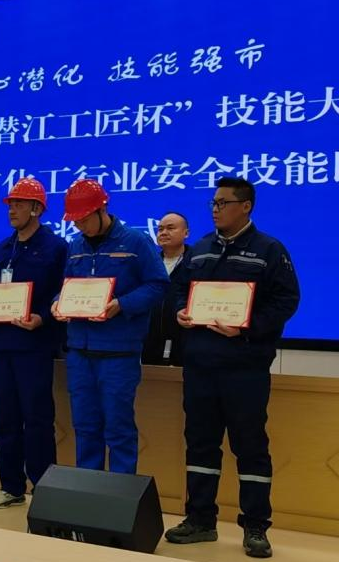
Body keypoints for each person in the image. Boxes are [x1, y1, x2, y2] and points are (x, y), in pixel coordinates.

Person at [165, 177, 300, 559]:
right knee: (200, 443)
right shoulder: (200, 249)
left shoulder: (269, 249)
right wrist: (181, 311)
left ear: (246, 206)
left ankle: (255, 526)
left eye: (223, 203)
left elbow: (286, 301)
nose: (215, 209)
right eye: (213, 202)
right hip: (200, 365)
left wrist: (247, 326)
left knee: (250, 446)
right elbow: (179, 289)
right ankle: (200, 519)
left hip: (245, 367)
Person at [52, 179, 168, 474]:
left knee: (118, 429)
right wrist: (57, 303)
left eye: (84, 219)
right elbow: (67, 287)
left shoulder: (136, 242)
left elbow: (158, 285)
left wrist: (122, 304)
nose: (79, 226)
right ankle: (88, 492)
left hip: (118, 352)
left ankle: (119, 495)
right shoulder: (75, 246)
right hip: (79, 352)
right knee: (85, 427)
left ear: (102, 209)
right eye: (75, 221)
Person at [0, 178, 67, 509]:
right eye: (10, 204)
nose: (12, 209)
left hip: (35, 345)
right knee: (5, 420)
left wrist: (42, 318)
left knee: (38, 419)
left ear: (37, 208)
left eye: (19, 204)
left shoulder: (56, 247)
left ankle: (44, 489)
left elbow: (63, 293)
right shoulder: (2, 249)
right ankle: (11, 486)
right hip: (2, 345)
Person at [143, 212, 193, 366]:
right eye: (160, 229)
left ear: (186, 233)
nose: (163, 233)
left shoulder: (196, 263)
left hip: (185, 339)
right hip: (150, 341)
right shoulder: (149, 263)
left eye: (170, 228)